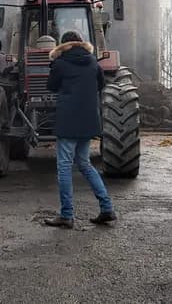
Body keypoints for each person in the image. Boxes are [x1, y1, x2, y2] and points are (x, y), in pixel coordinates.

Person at [43, 31, 115, 228]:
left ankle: (66, 215)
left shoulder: (60, 63)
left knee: (64, 167)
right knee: (84, 164)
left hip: (68, 120)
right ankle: (106, 208)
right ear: (81, 43)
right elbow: (101, 85)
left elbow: (51, 86)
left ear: (63, 45)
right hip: (88, 120)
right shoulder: (93, 62)